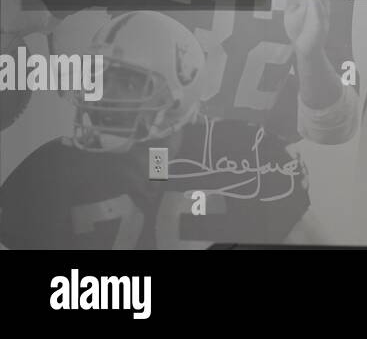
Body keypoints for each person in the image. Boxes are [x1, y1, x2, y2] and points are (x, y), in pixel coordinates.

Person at [0, 13, 322, 248]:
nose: (104, 95)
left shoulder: (241, 154)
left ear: (176, 93)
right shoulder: (51, 168)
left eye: (126, 82)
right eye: (101, 78)